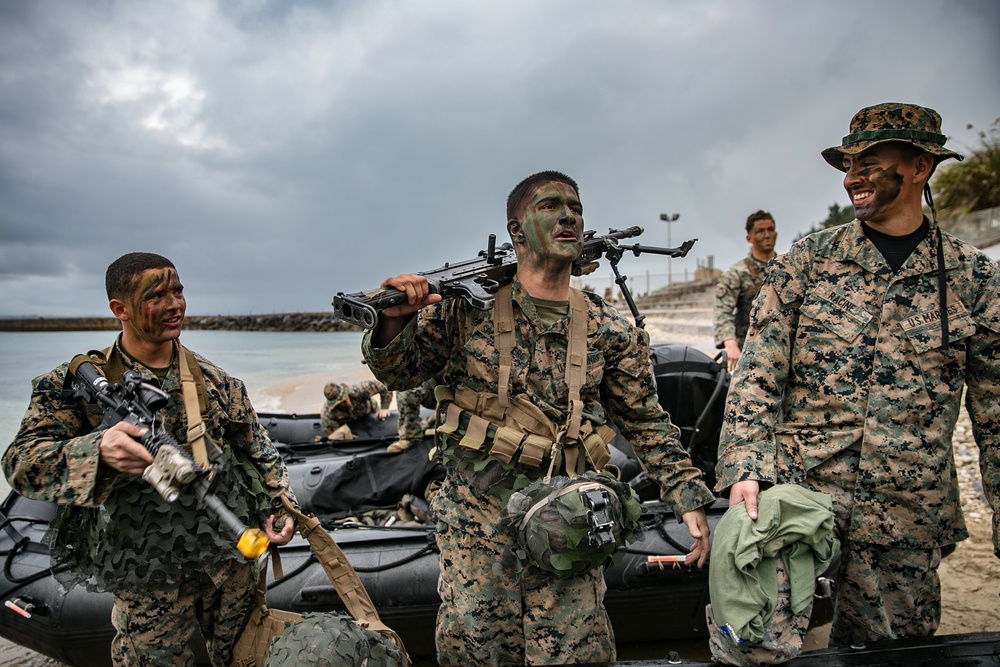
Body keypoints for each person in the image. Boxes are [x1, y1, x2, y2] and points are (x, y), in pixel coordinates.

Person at [361, 170, 716, 665]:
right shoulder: (465, 313)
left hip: (569, 533)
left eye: (576, 206)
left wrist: (686, 495)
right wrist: (393, 323)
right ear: (517, 230)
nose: (569, 215)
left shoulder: (608, 328)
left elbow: (646, 422)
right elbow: (398, 372)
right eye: (550, 205)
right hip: (477, 538)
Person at [713, 103, 1000, 662]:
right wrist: (746, 466)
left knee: (890, 656)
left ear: (920, 166)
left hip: (905, 515)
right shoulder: (809, 262)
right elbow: (757, 375)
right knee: (757, 648)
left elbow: (996, 416)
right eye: (848, 165)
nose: (852, 178)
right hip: (800, 497)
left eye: (870, 162)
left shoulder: (972, 279)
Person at [2, 252, 296, 666]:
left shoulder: (217, 382)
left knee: (247, 657)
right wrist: (98, 450)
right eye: (158, 295)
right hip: (146, 574)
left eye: (179, 291)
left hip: (229, 561)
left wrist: (278, 504)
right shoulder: (71, 388)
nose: (176, 304)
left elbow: (258, 447)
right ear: (119, 310)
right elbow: (20, 461)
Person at [713, 210, 778, 371]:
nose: (767, 235)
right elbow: (723, 311)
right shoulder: (737, 274)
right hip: (751, 352)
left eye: (770, 229)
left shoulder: (788, 268)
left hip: (783, 350)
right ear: (749, 238)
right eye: (760, 231)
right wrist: (730, 343)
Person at [320, 379, 391, 439]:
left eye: (345, 399)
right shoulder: (328, 413)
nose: (346, 403)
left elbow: (383, 386)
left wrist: (384, 407)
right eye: (341, 403)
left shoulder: (358, 390)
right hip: (348, 424)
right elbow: (334, 434)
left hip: (369, 412)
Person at [386, 377, 437, 453]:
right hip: (440, 388)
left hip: (457, 391)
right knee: (406, 389)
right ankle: (410, 435)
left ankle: (438, 419)